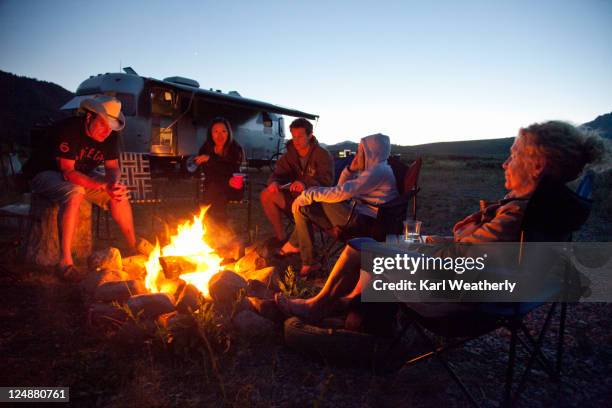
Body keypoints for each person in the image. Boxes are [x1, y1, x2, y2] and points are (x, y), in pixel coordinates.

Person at [275, 120, 609, 326]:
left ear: (536, 167)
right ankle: (350, 302)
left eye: (513, 154)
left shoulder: (516, 214)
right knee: (393, 246)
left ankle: (317, 306)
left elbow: (461, 258)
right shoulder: (536, 208)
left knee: (360, 248)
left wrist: (437, 241)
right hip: (502, 291)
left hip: (460, 301)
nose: (505, 163)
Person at [29, 95, 136, 281]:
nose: (106, 131)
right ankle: (65, 262)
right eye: (103, 124)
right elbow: (67, 172)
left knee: (119, 194)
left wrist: (113, 184)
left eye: (110, 127)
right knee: (75, 192)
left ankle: (134, 247)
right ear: (89, 117)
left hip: (80, 173)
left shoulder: (110, 135)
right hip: (45, 173)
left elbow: (112, 167)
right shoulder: (70, 129)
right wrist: (101, 184)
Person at [279, 133, 399, 276]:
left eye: (361, 150)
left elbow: (341, 192)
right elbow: (342, 188)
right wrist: (349, 170)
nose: (359, 154)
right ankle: (308, 261)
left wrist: (309, 194)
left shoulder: (377, 171)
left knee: (317, 200)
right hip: (357, 216)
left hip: (363, 224)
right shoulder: (376, 169)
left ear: (371, 151)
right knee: (304, 207)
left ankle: (296, 249)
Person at [260, 117, 334, 244]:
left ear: (310, 135)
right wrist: (274, 182)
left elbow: (326, 181)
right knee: (266, 194)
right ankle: (281, 238)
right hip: (294, 199)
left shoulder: (322, 155)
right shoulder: (290, 155)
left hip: (314, 203)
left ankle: (307, 242)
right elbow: (277, 174)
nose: (296, 141)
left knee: (306, 211)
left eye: (300, 136)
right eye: (293, 136)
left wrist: (304, 184)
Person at [193, 117, 245, 223]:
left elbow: (231, 171)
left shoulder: (235, 149)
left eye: (223, 131)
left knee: (215, 189)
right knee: (216, 189)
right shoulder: (205, 149)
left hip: (233, 187)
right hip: (215, 185)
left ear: (228, 133)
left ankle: (210, 225)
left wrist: (210, 160)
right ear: (211, 134)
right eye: (216, 131)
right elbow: (209, 174)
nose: (220, 135)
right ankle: (218, 227)